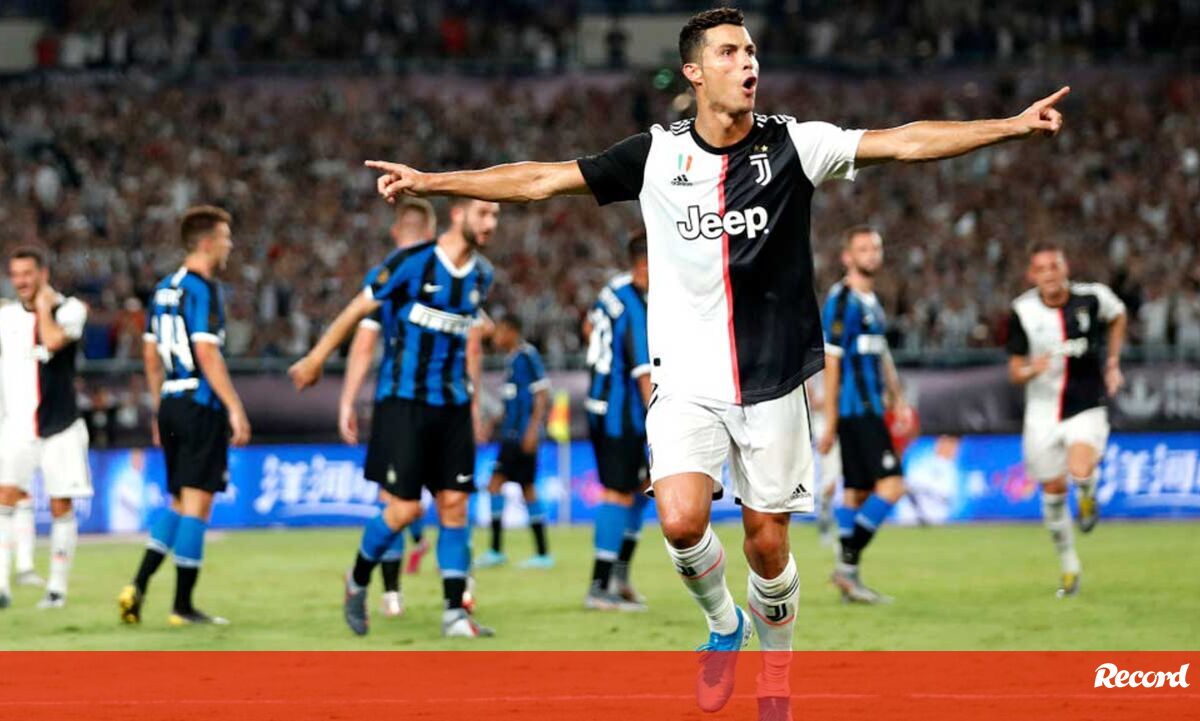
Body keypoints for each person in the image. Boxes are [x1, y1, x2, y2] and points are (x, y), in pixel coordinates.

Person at [363, 6, 1068, 711]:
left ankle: (776, 675)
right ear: (695, 72)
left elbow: (905, 141)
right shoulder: (654, 155)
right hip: (686, 379)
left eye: (751, 50)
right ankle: (725, 623)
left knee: (767, 547)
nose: (747, 62)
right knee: (679, 519)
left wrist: (1009, 126)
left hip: (774, 379)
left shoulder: (796, 144)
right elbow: (541, 179)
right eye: (729, 52)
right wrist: (434, 182)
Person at [289, 198, 498, 639]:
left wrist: (475, 402)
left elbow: (472, 345)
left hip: (453, 406)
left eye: (496, 215)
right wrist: (315, 358)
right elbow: (357, 312)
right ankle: (357, 579)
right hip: (404, 404)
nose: (491, 223)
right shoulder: (409, 264)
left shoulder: (482, 275)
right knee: (404, 509)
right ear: (457, 214)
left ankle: (454, 614)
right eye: (484, 213)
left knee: (455, 506)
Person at [119, 206, 252, 626]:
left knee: (179, 500)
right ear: (207, 243)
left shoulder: (162, 289)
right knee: (198, 503)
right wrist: (235, 407)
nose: (230, 245)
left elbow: (149, 355)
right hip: (200, 403)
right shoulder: (203, 289)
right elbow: (207, 351)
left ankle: (137, 586)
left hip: (172, 403)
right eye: (226, 237)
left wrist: (159, 408)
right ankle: (182, 606)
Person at [1006, 241, 1126, 598]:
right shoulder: (1023, 311)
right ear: (1032, 275)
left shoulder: (1093, 297)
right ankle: (1069, 566)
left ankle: (1087, 495)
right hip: (1042, 413)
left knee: (1080, 469)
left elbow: (1119, 315)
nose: (1049, 275)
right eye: (1041, 269)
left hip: (1086, 404)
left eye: (1054, 267)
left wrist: (1113, 362)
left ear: (1065, 268)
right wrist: (1033, 369)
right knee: (1053, 491)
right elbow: (1014, 371)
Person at [339, 197, 439, 618]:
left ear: (396, 231)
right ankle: (456, 600)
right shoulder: (448, 270)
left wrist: (347, 400)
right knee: (448, 500)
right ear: (432, 232)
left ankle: (391, 592)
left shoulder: (385, 275)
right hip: (446, 404)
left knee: (395, 499)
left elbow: (364, 344)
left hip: (398, 404)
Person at [817, 226, 909, 604]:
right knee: (892, 486)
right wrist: (831, 422)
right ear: (847, 257)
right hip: (856, 412)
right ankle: (846, 564)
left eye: (875, 247)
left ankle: (850, 583)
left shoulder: (872, 301)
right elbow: (832, 362)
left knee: (856, 493)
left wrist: (897, 396)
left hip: (872, 407)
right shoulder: (842, 301)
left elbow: (880, 354)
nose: (871, 254)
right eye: (862, 249)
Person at [0, 247, 92, 610]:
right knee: (5, 497)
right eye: (15, 275)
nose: (21, 281)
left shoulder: (71, 309)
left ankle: (56, 590)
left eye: (27, 274)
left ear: (43, 273)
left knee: (60, 504)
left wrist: (42, 306)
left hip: (61, 427)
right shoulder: (6, 317)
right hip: (18, 427)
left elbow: (53, 342)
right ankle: (2, 585)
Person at [583, 232, 651, 612]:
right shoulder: (635, 306)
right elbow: (644, 374)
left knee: (641, 488)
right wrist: (661, 424)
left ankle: (619, 576)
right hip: (619, 412)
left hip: (602, 401)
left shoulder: (611, 290)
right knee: (618, 492)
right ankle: (599, 586)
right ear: (644, 264)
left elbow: (588, 328)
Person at [477, 316, 552, 569]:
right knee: (516, 487)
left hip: (521, 435)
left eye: (499, 331)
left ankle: (506, 551)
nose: (495, 337)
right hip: (510, 435)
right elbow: (513, 400)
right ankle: (535, 552)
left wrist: (532, 430)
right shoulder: (511, 360)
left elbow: (542, 394)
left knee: (505, 486)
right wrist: (493, 422)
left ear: (511, 331)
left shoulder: (527, 355)